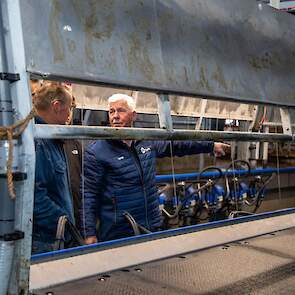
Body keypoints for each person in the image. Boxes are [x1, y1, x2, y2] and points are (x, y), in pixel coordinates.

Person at [81, 94, 229, 244]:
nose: (115, 116)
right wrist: (89, 233)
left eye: (121, 111)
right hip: (119, 230)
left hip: (151, 223)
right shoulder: (97, 151)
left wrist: (210, 145)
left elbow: (178, 145)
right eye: (111, 111)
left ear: (134, 115)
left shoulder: (146, 140)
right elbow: (89, 194)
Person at [32, 84, 76, 253]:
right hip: (45, 239)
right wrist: (64, 224)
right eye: (69, 107)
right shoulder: (39, 141)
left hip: (54, 235)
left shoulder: (51, 139)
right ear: (57, 106)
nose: (69, 114)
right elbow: (35, 198)